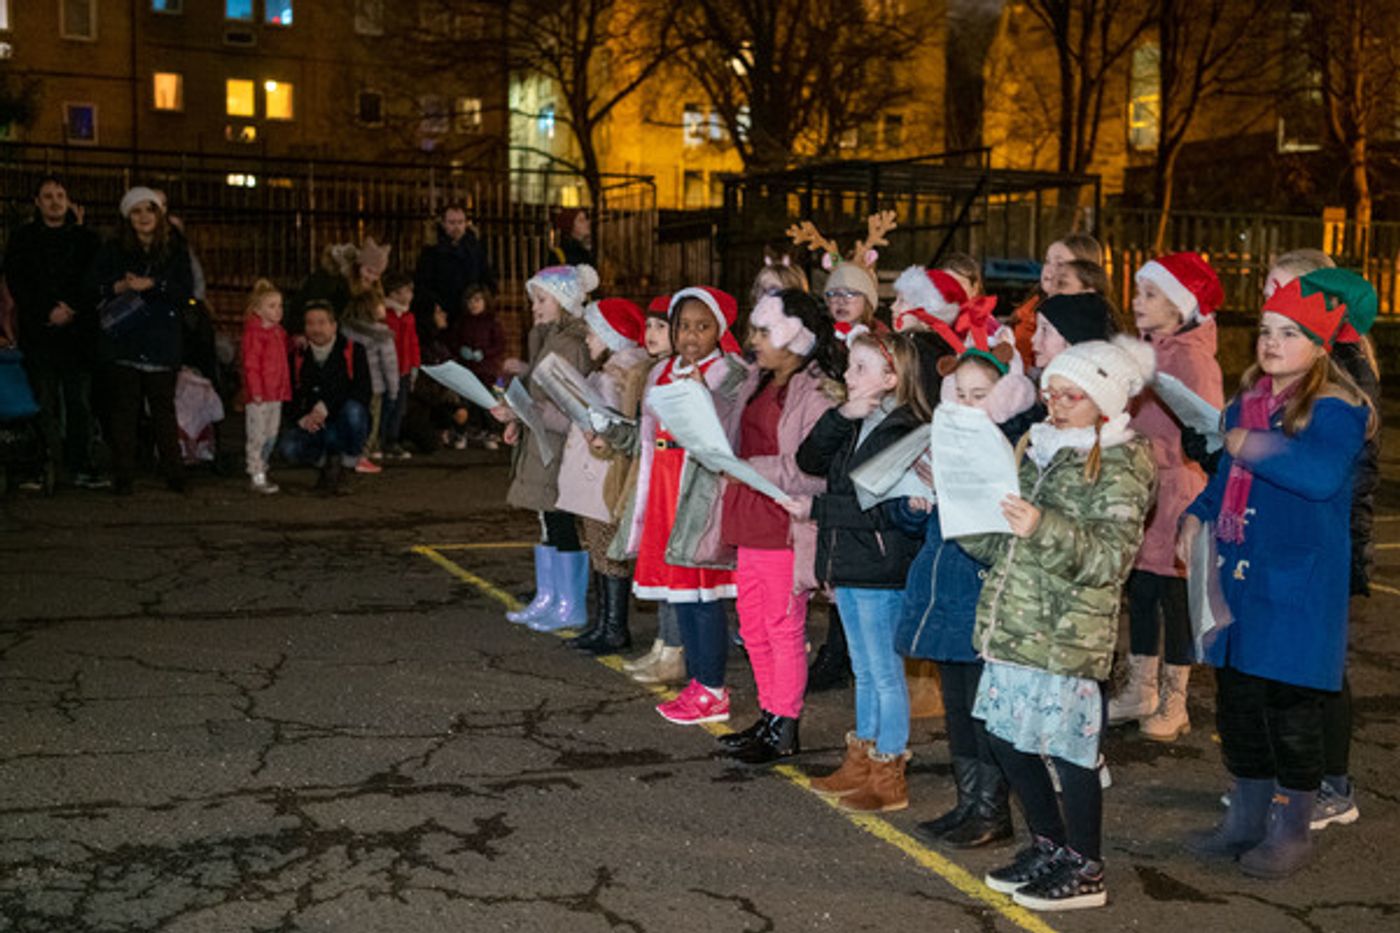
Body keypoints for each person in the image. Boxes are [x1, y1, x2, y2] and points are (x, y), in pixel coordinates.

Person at [1180, 270, 1374, 879]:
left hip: (1298, 582)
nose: (1271, 343)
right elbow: (1221, 483)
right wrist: (1196, 515)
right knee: (1238, 703)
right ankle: (1245, 816)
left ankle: (1292, 827)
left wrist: (1249, 445)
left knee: (1291, 709)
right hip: (1241, 576)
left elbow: (1318, 476)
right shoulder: (1247, 402)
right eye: (1265, 331)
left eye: (1289, 333)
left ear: (1320, 345)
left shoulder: (1339, 407)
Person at [962, 336, 1156, 911]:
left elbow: (1109, 560)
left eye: (1071, 396)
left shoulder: (1122, 459)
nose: (1056, 405)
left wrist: (1039, 526)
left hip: (1067, 632)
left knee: (1070, 751)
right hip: (1015, 623)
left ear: (1104, 401)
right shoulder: (1041, 446)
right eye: (1051, 393)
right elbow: (1002, 544)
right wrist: (963, 511)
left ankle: (1086, 865)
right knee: (1003, 736)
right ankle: (1050, 843)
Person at [896, 335, 1037, 850]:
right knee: (957, 706)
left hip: (981, 594)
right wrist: (914, 503)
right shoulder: (944, 443)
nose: (967, 404)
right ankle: (968, 802)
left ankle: (992, 811)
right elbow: (915, 527)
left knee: (983, 708)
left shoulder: (1016, 448)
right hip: (947, 591)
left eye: (980, 394)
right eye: (958, 393)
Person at [796, 332, 927, 812]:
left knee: (884, 673)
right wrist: (839, 417)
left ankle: (889, 771)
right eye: (850, 366)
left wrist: (818, 510)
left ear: (892, 378)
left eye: (861, 368)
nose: (848, 376)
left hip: (878, 563)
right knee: (865, 670)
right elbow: (808, 459)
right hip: (849, 561)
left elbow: (881, 508)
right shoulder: (857, 421)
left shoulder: (906, 430)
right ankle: (861, 761)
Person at [718, 290, 843, 765]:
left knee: (780, 626)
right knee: (752, 626)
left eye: (763, 332)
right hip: (750, 513)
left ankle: (784, 725)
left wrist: (752, 468)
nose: (753, 341)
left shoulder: (815, 391)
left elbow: (813, 469)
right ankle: (769, 715)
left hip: (785, 519)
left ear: (795, 337)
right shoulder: (757, 379)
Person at [1106, 253, 1225, 741]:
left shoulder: (1193, 359)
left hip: (1176, 487)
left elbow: (1207, 426)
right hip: (1140, 487)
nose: (1138, 302)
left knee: (1174, 597)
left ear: (1179, 307)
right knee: (1143, 590)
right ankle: (1141, 687)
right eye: (1137, 292)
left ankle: (1176, 699)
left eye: (1151, 294)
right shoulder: (1141, 349)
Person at [620, 287, 749, 725]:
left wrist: (702, 395)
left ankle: (712, 685)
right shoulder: (661, 370)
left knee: (703, 593)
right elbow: (647, 431)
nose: (691, 336)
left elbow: (728, 435)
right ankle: (698, 682)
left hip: (699, 491)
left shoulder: (729, 373)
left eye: (702, 327)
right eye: (683, 326)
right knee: (681, 592)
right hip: (663, 486)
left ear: (720, 330)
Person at [494, 264, 599, 632]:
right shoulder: (551, 337)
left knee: (560, 521)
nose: (534, 307)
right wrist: (517, 418)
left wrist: (524, 412)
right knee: (548, 520)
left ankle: (569, 604)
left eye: (541, 299)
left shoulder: (568, 344)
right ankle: (552, 597)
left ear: (565, 301)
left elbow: (572, 408)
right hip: (543, 443)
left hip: (557, 446)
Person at [555, 297, 651, 655]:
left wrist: (595, 432)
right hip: (596, 472)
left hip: (604, 474)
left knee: (607, 550)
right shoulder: (612, 370)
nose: (588, 340)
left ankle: (613, 627)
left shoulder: (616, 376)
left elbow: (613, 428)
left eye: (593, 333)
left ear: (613, 336)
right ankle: (604, 623)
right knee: (599, 548)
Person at [90, 186, 196, 495]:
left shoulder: (175, 248)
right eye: (136, 211)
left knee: (163, 409)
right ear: (127, 217)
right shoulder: (113, 249)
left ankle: (174, 473)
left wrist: (154, 284)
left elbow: (185, 289)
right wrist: (118, 286)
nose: (144, 217)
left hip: (162, 340)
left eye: (149, 210)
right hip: (126, 340)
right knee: (125, 410)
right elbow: (94, 284)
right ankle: (124, 473)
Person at [5, 176, 102, 489]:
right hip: (41, 333)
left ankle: (80, 464)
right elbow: (19, 282)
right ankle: (43, 462)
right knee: (43, 402)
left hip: (77, 335)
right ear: (37, 202)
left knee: (79, 403)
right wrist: (47, 310)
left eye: (60, 194)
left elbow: (93, 280)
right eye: (48, 196)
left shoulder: (86, 240)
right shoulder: (23, 240)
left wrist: (71, 308)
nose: (55, 201)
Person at [617, 296, 686, 686]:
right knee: (658, 560)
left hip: (673, 475)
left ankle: (674, 648)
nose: (652, 334)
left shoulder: (680, 372)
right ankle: (663, 643)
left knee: (674, 566)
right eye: (649, 327)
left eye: (661, 326)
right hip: (655, 474)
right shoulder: (656, 370)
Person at [278, 301, 372, 494]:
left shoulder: (353, 351)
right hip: (315, 425)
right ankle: (325, 463)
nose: (316, 329)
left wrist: (325, 406)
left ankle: (345, 465)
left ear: (334, 326)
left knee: (354, 412)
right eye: (310, 323)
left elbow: (362, 391)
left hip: (342, 420)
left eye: (322, 323)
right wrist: (302, 418)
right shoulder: (298, 354)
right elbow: (288, 394)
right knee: (288, 447)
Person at [1012, 234, 1104, 367]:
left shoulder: (1089, 323)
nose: (1049, 269)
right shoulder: (1029, 309)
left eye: (1060, 264)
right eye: (1047, 261)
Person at [411, 203, 497, 345]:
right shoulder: (431, 252)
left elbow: (487, 277)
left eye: (460, 222)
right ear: (443, 223)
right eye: (452, 222)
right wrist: (434, 306)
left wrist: (483, 300)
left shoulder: (475, 250)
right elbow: (422, 283)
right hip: (443, 313)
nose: (456, 227)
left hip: (470, 312)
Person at [241, 279, 291, 495]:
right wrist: (256, 390)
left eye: (279, 306)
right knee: (257, 434)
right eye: (272, 306)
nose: (278, 310)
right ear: (258, 309)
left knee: (271, 433)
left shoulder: (278, 333)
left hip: (276, 392)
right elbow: (251, 365)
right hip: (260, 395)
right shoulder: (254, 334)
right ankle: (256, 471)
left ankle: (262, 466)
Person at [340, 290, 399, 473]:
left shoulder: (347, 331)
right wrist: (393, 389)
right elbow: (389, 364)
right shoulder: (381, 335)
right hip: (376, 385)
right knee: (371, 422)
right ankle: (362, 456)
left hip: (352, 385)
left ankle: (349, 453)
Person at [454, 285, 506, 449]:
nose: (473, 304)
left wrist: (484, 353)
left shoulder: (492, 322)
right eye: (470, 301)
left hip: (486, 371)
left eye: (477, 300)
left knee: (487, 403)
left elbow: (499, 345)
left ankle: (490, 433)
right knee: (466, 403)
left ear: (485, 301)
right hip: (467, 370)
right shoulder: (462, 322)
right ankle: (463, 432)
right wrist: (461, 350)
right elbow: (456, 341)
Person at [381, 273, 420, 460]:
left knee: (398, 407)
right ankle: (382, 439)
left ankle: (391, 440)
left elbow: (413, 342)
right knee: (387, 405)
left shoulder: (408, 316)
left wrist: (414, 365)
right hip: (388, 369)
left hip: (403, 368)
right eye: (406, 291)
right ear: (395, 293)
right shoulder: (386, 315)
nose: (410, 295)